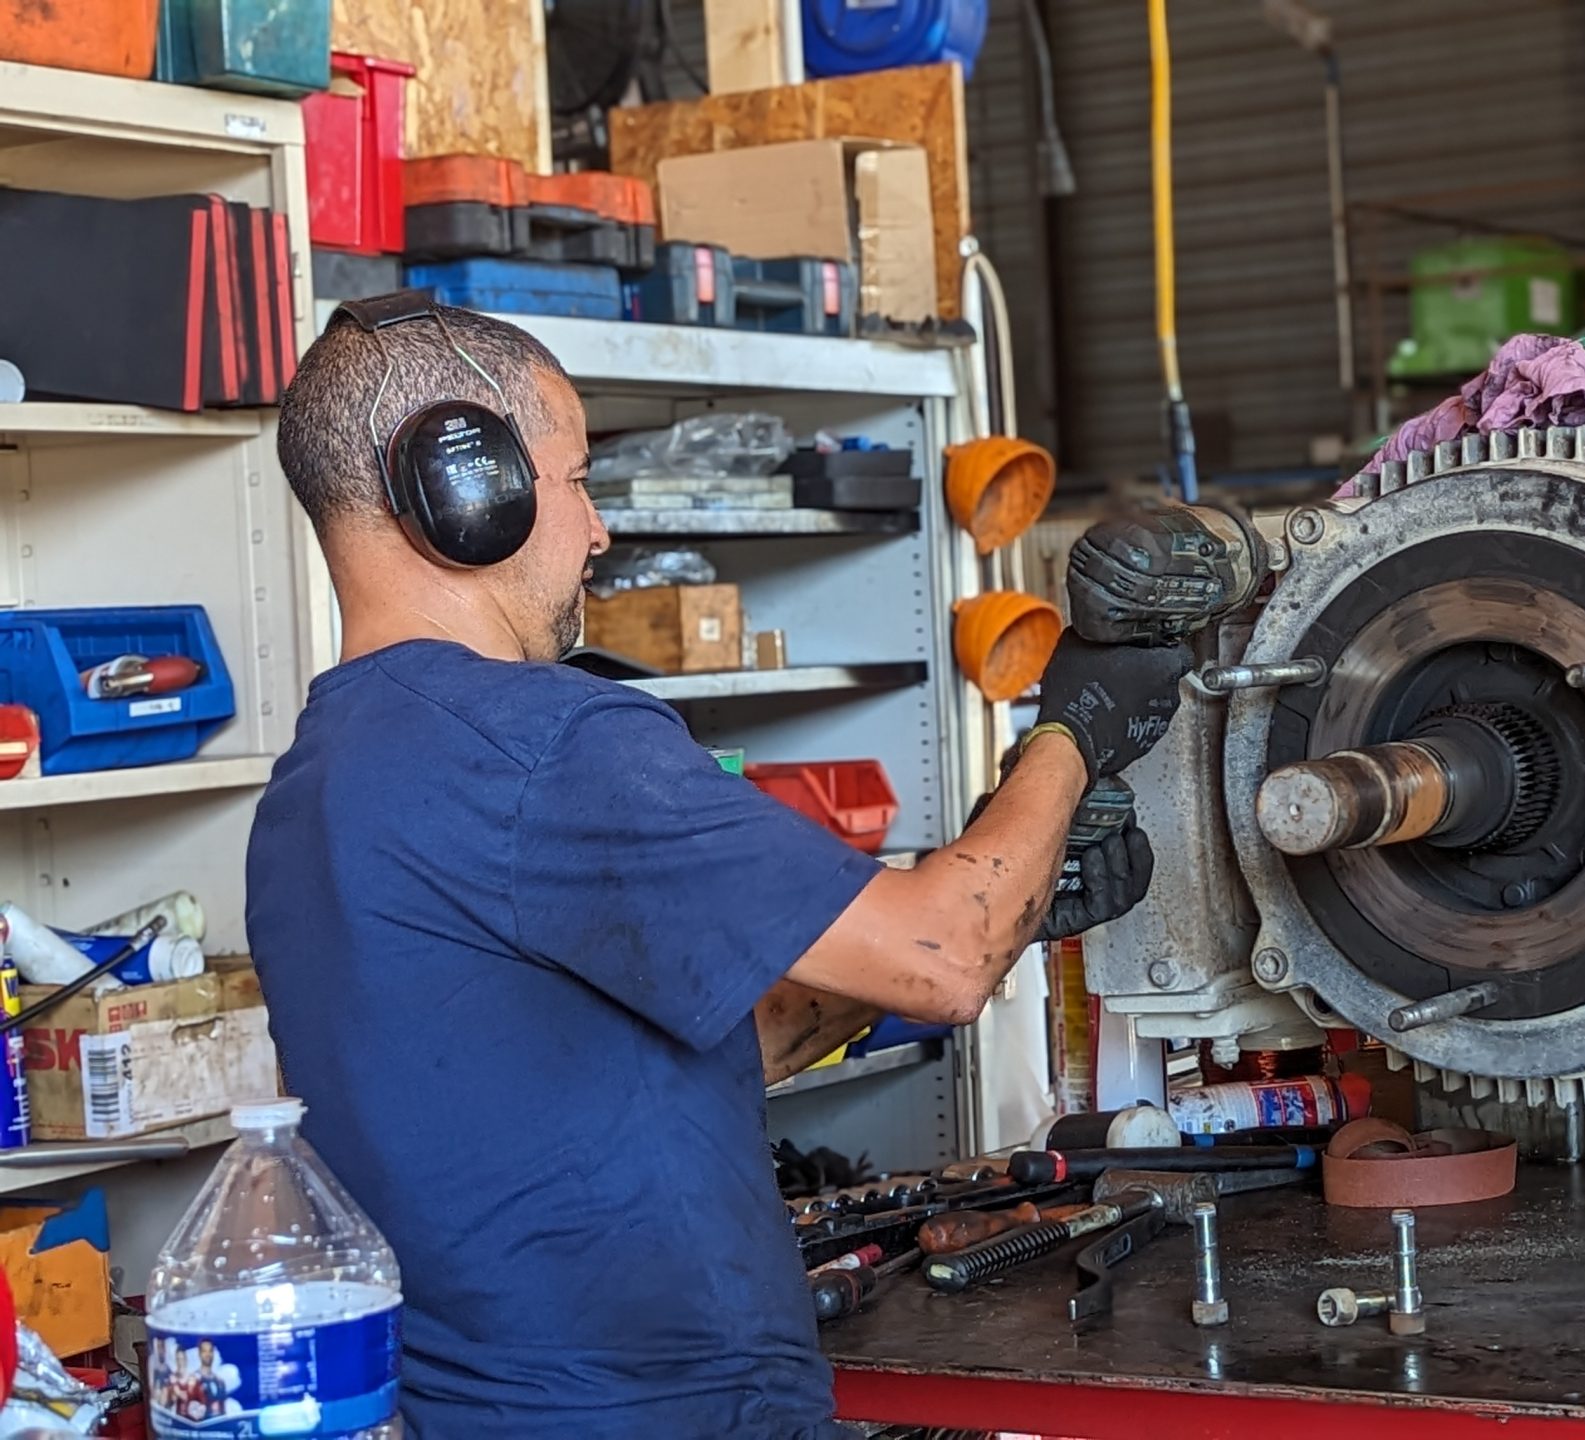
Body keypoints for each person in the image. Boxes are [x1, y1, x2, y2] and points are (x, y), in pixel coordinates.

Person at [246, 297, 1191, 1438]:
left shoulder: (316, 781)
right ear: (468, 484)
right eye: (577, 479)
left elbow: (679, 1058)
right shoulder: (545, 741)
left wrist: (1013, 897)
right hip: (660, 1413)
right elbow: (941, 959)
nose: (597, 532)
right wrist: (1070, 738)